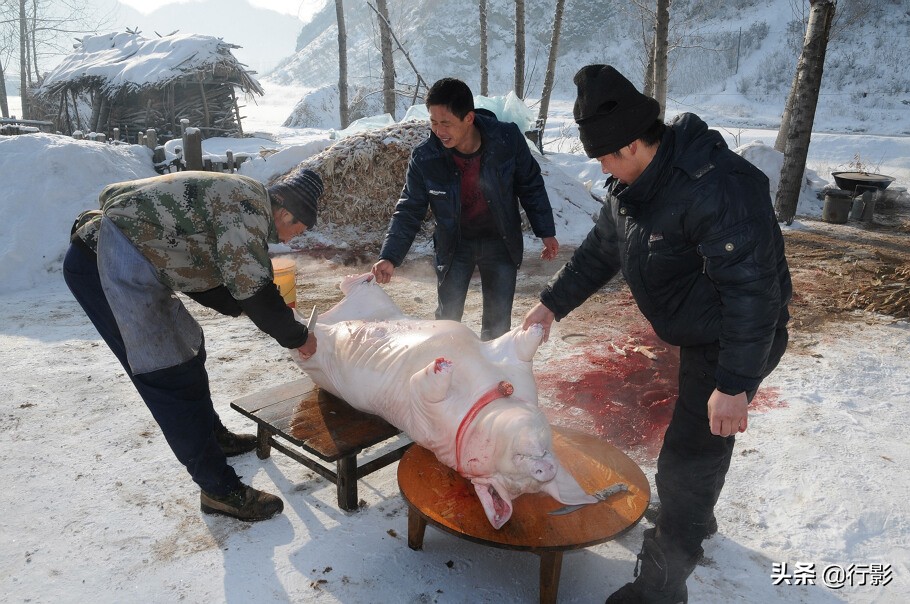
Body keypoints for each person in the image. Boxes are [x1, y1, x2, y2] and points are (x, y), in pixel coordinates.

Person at [523, 65, 792, 603]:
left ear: (627, 145)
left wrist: (735, 383)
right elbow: (602, 252)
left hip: (737, 337)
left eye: (601, 156)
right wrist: (551, 304)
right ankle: (695, 517)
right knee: (699, 448)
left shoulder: (719, 188)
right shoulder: (631, 189)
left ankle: (661, 586)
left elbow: (754, 295)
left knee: (687, 457)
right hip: (701, 330)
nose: (598, 166)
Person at [64, 169, 324, 522]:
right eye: (299, 230)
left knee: (188, 348)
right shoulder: (247, 211)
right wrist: (295, 335)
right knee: (168, 373)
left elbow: (214, 270)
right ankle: (220, 490)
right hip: (107, 264)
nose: (294, 240)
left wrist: (252, 308)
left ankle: (213, 436)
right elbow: (253, 288)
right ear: (286, 213)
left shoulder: (245, 199)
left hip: (138, 259)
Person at [371, 77, 560, 341]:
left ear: (469, 118)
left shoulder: (506, 140)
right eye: (433, 122)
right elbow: (409, 209)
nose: (438, 131)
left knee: (497, 324)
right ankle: (447, 371)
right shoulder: (426, 158)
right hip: (454, 244)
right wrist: (390, 256)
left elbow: (530, 184)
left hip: (500, 241)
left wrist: (546, 231)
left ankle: (491, 376)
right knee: (447, 321)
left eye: (446, 123)